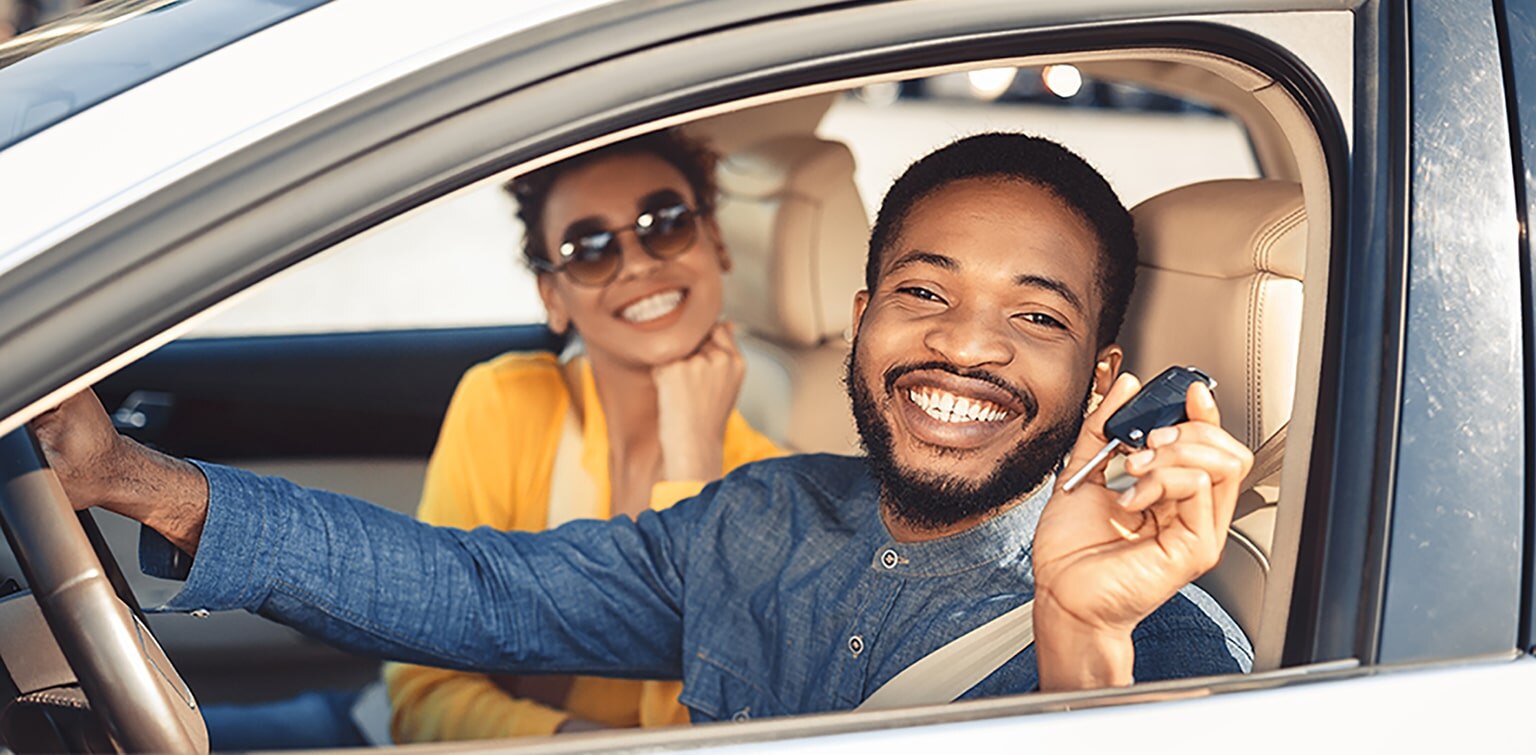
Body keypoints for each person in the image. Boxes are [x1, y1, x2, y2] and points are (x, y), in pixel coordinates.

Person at [32, 132, 1255, 723]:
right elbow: (474, 586)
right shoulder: (759, 514)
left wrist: (1080, 639)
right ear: (860, 321)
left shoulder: (1164, 633)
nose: (965, 344)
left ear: (1100, 382)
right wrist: (133, 475)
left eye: (1032, 316)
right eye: (924, 292)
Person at [383, 129, 782, 741]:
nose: (641, 263)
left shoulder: (772, 488)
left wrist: (694, 469)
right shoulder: (505, 402)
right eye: (591, 248)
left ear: (717, 243)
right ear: (553, 296)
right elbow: (422, 692)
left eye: (667, 222)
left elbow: (706, 733)